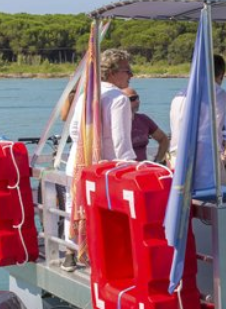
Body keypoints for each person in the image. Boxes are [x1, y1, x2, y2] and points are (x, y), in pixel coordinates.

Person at [63, 48, 137, 271]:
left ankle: (71, 253)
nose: (131, 75)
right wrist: (132, 171)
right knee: (108, 218)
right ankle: (105, 261)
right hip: (105, 172)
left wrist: (88, 151)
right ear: (113, 72)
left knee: (72, 207)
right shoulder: (119, 99)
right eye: (127, 70)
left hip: (79, 165)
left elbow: (75, 131)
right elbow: (121, 143)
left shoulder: (86, 95)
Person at [169, 54, 226, 189]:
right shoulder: (217, 92)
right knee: (220, 193)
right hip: (202, 158)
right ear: (220, 75)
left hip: (176, 153)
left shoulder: (181, 93)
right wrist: (222, 155)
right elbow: (214, 128)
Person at [123, 87, 169, 163]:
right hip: (123, 169)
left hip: (142, 169)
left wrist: (158, 161)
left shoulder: (143, 119)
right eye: (132, 99)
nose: (137, 101)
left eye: (137, 98)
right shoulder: (115, 123)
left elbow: (163, 139)